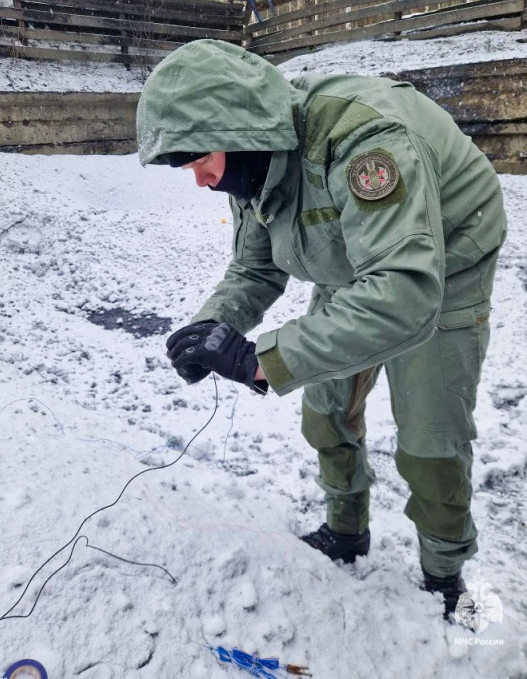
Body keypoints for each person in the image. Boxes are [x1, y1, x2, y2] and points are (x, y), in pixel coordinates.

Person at [136, 39, 507, 619]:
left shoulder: (361, 142)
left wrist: (262, 360)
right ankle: (346, 528)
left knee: (430, 442)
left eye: (200, 157)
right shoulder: (253, 161)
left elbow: (404, 292)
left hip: (444, 268)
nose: (203, 180)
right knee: (325, 410)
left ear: (241, 127)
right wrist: (215, 324)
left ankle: (444, 570)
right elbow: (256, 264)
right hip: (353, 259)